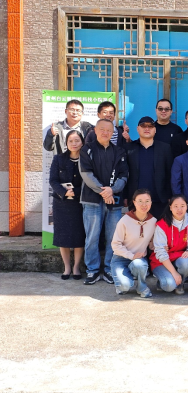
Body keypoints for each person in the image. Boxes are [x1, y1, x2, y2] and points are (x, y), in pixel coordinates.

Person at [79, 118, 129, 285]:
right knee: (92, 237)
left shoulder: (119, 151)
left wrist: (112, 190)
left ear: (113, 132)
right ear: (95, 130)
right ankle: (92, 270)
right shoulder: (87, 149)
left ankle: (109, 268)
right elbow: (86, 174)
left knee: (113, 237)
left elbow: (124, 175)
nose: (105, 132)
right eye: (102, 129)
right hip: (92, 200)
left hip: (114, 200)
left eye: (109, 130)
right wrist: (104, 191)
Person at [49, 130, 86, 280]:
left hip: (79, 203)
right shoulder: (58, 159)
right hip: (61, 203)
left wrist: (75, 192)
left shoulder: (86, 159)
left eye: (77, 140)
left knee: (78, 236)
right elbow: (53, 180)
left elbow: (89, 182)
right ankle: (67, 267)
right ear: (66, 143)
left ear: (82, 142)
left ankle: (76, 267)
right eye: (70, 141)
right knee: (62, 237)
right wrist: (64, 192)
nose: (74, 143)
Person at [111, 189, 157, 298]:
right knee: (124, 287)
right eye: (140, 201)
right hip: (120, 258)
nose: (144, 204)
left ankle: (142, 286)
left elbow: (151, 244)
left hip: (139, 259)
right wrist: (131, 256)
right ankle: (124, 281)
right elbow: (115, 245)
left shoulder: (153, 221)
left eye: (147, 201)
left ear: (151, 202)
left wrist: (159, 246)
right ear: (134, 202)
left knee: (139, 264)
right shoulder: (125, 220)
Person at [124, 116, 173, 219]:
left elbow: (169, 173)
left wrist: (170, 195)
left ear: (155, 130)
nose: (147, 128)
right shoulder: (129, 148)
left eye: (150, 126)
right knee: (137, 228)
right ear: (138, 129)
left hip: (159, 199)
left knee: (158, 228)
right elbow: (124, 173)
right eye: (143, 126)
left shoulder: (165, 148)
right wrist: (125, 196)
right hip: (135, 199)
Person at [150, 195, 188, 295]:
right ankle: (164, 280)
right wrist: (174, 273)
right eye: (176, 206)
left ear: (187, 206)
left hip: (179, 258)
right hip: (161, 261)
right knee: (169, 285)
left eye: (182, 206)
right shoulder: (162, 224)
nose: (179, 209)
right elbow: (160, 252)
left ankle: (180, 283)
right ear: (170, 207)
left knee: (187, 263)